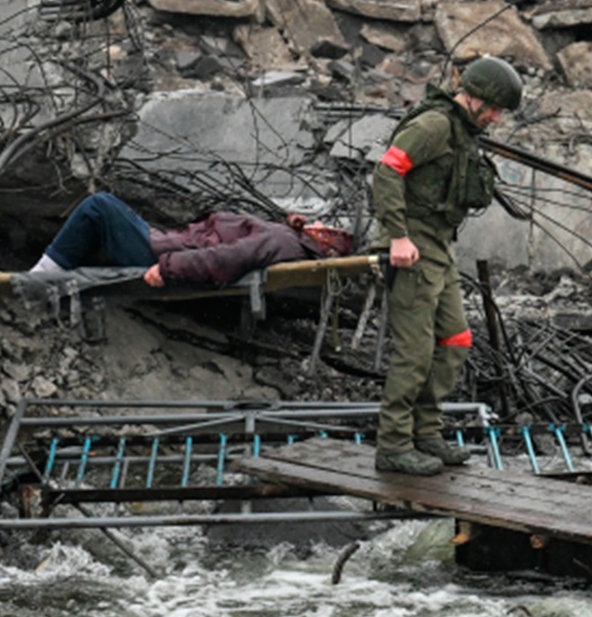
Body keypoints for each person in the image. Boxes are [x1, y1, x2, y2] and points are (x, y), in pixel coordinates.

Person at [370, 56, 524, 476]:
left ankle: (426, 432)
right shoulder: (434, 125)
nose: (495, 117)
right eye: (493, 108)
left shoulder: (462, 130)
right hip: (413, 244)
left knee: (455, 339)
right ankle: (394, 444)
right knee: (415, 350)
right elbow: (386, 172)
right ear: (471, 97)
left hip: (438, 244)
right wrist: (398, 236)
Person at [30, 192, 352, 286]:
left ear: (326, 242)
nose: (318, 221)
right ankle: (53, 268)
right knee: (106, 208)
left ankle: (40, 277)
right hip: (171, 246)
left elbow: (230, 257)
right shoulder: (287, 237)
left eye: (326, 226)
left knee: (98, 206)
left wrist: (169, 267)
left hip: (164, 257)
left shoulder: (285, 240)